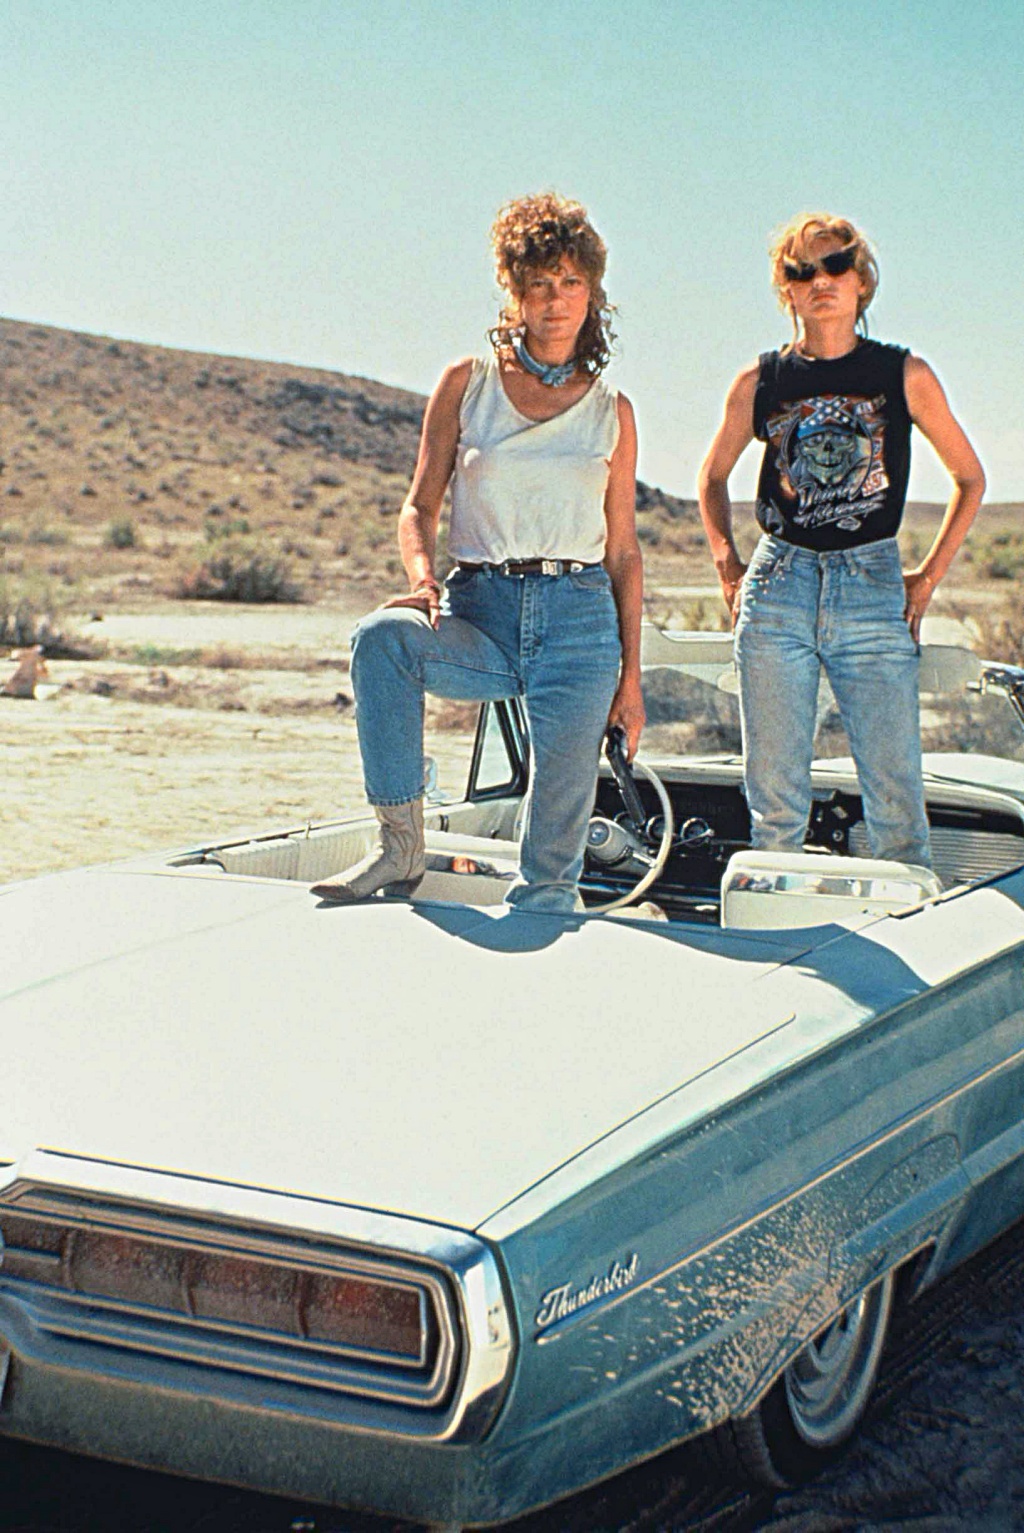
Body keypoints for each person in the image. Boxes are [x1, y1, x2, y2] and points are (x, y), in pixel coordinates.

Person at [311, 192, 645, 912]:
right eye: (538, 285)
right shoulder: (468, 384)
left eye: (571, 284)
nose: (556, 302)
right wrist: (423, 579)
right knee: (381, 640)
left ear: (592, 293)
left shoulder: (612, 410)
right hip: (481, 612)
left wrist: (633, 679)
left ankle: (541, 939)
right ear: (514, 292)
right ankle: (400, 846)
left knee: (552, 871)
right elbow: (419, 504)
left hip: (581, 625)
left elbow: (623, 553)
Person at [698, 212, 985, 867]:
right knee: (774, 809)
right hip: (779, 584)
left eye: (835, 267)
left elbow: (970, 478)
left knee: (896, 804)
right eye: (802, 271)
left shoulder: (904, 374)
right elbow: (712, 476)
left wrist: (928, 577)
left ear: (861, 281)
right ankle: (780, 945)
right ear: (786, 289)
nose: (820, 281)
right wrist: (727, 565)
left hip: (872, 584)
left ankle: (912, 961)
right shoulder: (761, 380)